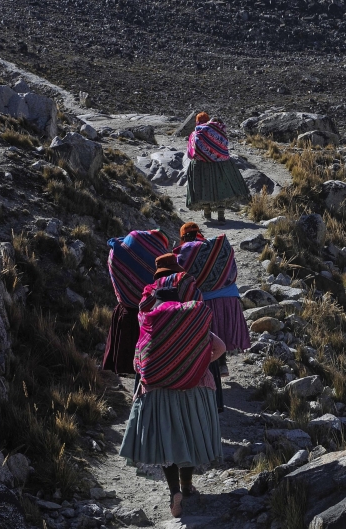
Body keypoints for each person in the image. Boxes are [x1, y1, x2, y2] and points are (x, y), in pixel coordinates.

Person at [120, 253, 225, 518]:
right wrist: (196, 361)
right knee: (188, 437)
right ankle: (188, 486)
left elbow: (137, 362)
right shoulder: (195, 317)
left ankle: (173, 492)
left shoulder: (149, 317)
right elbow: (220, 348)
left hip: (158, 390)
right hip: (194, 385)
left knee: (168, 443)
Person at [175, 222, 250, 376]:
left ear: (183, 237)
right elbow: (232, 271)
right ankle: (222, 365)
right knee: (221, 330)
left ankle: (208, 369)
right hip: (229, 298)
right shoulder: (216, 249)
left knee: (209, 332)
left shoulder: (185, 252)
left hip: (205, 300)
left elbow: (181, 278)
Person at [102, 229, 169, 375]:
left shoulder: (118, 256)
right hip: (150, 319)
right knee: (146, 367)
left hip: (125, 314)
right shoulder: (161, 263)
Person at [186, 112, 249, 222]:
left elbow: (191, 153)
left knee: (204, 187)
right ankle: (221, 215)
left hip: (201, 165)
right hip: (220, 164)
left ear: (197, 121)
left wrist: (203, 155)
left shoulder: (195, 133)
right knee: (221, 188)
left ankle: (207, 213)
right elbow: (224, 146)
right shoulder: (218, 130)